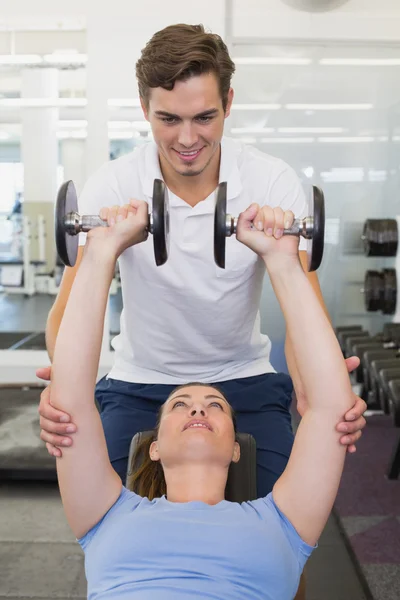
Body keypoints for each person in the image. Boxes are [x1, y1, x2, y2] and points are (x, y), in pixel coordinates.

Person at [37, 24, 366, 595]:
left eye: (204, 118)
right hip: (139, 379)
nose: (187, 138)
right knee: (107, 532)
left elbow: (300, 305)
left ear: (228, 104)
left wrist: (317, 399)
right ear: (145, 108)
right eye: (169, 119)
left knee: (287, 545)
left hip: (242, 376)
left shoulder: (271, 182)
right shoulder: (113, 185)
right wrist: (67, 392)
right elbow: (66, 314)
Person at [47, 198, 356, 599]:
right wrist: (100, 255)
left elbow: (330, 407)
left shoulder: (283, 520)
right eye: (179, 404)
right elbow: (71, 400)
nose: (197, 406)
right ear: (153, 447)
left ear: (236, 449)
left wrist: (282, 262)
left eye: (215, 405)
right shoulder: (106, 513)